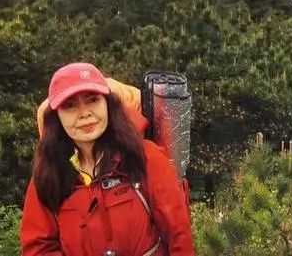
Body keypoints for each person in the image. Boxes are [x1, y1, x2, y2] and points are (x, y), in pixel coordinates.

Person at [20, 62, 195, 256]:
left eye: (92, 100)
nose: (85, 113)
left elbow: (178, 234)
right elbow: (38, 247)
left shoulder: (144, 157)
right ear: (57, 117)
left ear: (108, 104)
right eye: (70, 106)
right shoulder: (49, 175)